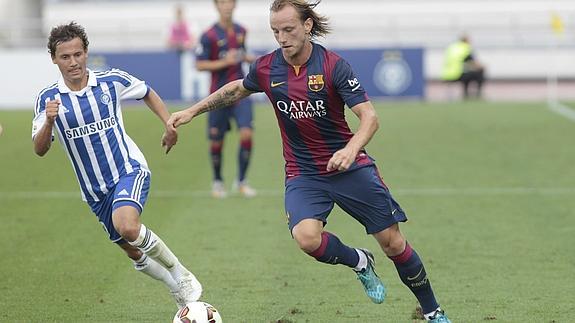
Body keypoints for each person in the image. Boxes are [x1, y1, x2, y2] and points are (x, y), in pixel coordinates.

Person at [168, 1, 451, 322]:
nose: (282, 37)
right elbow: (236, 89)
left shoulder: (333, 66)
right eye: (275, 31)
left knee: (393, 243)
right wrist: (192, 111)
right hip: (304, 174)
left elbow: (369, 117)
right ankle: (359, 261)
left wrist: (350, 149)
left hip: (350, 168)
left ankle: (432, 311)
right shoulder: (266, 68)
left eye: (288, 29)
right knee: (306, 238)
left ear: (307, 26)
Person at [32, 22, 202, 310]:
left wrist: (168, 124)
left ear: (86, 52)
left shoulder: (110, 81)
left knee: (127, 226)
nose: (73, 62)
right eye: (65, 57)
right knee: (133, 252)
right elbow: (40, 149)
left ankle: (180, 273)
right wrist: (49, 121)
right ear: (53, 59)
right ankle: (176, 288)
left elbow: (146, 91)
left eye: (78, 54)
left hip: (128, 170)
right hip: (94, 191)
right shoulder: (48, 100)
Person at [195, 0, 257, 198]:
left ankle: (241, 181)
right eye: (223, 3)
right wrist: (225, 61)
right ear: (217, 6)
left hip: (241, 92)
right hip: (218, 95)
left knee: (247, 133)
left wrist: (248, 58)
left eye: (230, 2)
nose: (227, 6)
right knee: (216, 141)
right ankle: (218, 181)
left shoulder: (241, 31)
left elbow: (241, 53)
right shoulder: (209, 35)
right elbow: (200, 65)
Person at [441, 34, 485, 99]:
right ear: (466, 41)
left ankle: (465, 93)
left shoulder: (452, 47)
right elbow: (473, 63)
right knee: (479, 73)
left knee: (467, 72)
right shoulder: (465, 48)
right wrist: (483, 66)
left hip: (446, 74)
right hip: (457, 74)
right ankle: (477, 94)